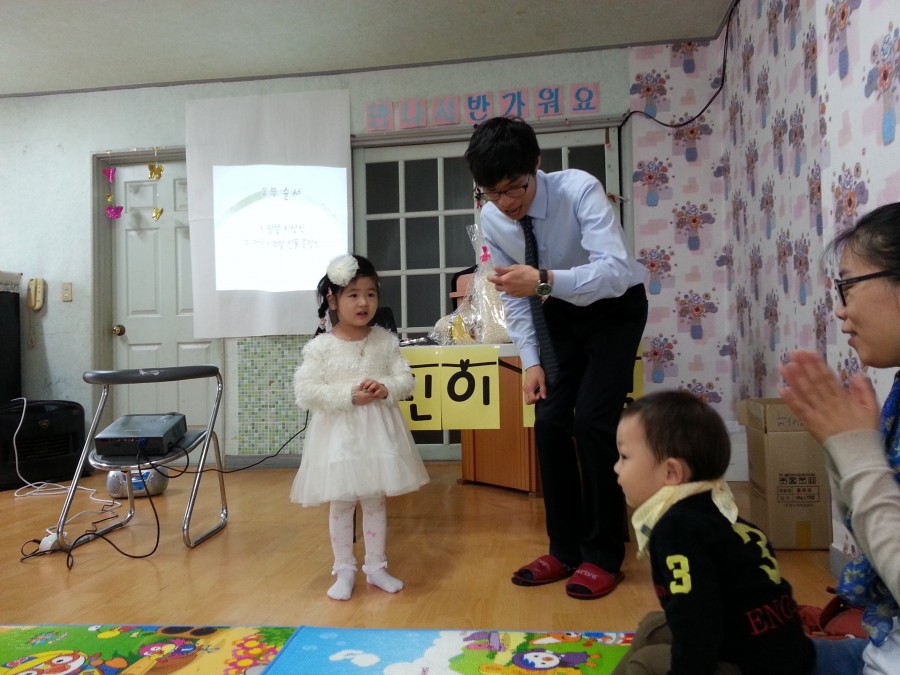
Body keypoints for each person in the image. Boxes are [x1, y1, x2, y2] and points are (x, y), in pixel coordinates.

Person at [465, 117, 648, 600]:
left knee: (592, 422)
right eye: (492, 192)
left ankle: (603, 555)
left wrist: (545, 280)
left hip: (615, 310)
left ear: (536, 164)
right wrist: (531, 361)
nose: (507, 202)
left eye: (515, 187)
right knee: (548, 422)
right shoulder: (493, 218)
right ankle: (564, 550)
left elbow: (616, 271)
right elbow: (515, 296)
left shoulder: (579, 189)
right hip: (559, 311)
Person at [611, 390, 818, 675]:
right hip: (782, 651)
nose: (616, 467)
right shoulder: (710, 510)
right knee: (652, 628)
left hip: (757, 666)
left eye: (624, 457)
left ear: (671, 473)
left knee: (645, 663)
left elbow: (697, 621)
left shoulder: (677, 529)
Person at [779, 202, 900, 674]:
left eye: (848, 285)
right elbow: (872, 526)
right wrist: (841, 449)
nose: (841, 310)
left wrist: (857, 457)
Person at [290, 254, 430, 601]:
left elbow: (406, 381)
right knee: (342, 503)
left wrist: (385, 387)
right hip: (338, 438)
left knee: (375, 500)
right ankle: (344, 569)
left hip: (378, 436)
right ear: (333, 300)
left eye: (370, 294)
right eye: (353, 295)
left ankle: (376, 567)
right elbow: (306, 391)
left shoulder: (385, 340)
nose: (363, 302)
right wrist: (347, 395)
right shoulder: (321, 347)